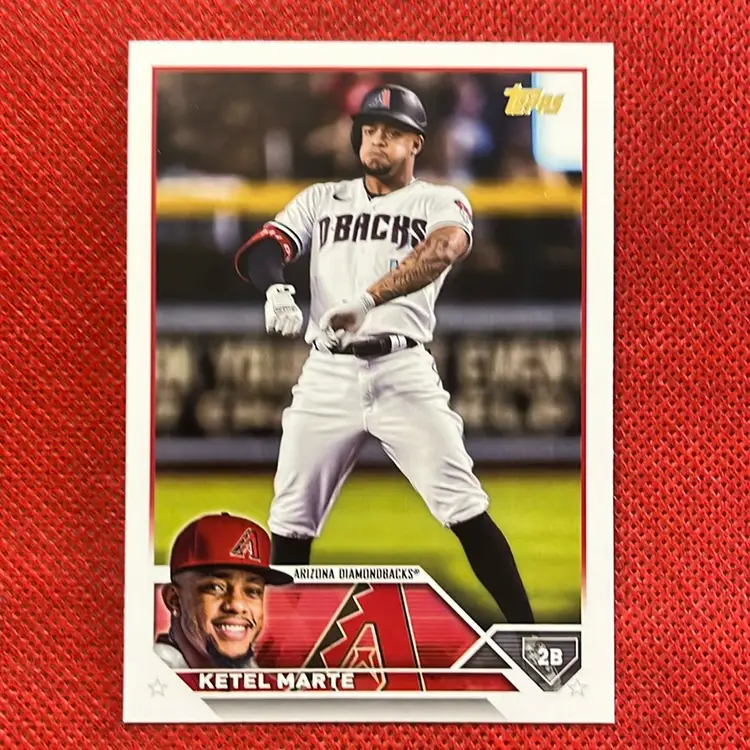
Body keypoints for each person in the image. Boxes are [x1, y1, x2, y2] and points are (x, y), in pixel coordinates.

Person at [233, 84, 534, 624]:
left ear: (416, 143)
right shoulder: (323, 198)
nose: (376, 140)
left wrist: (368, 299)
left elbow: (444, 249)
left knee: (464, 507)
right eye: (368, 129)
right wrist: (276, 287)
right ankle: (280, 644)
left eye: (391, 132)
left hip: (402, 369)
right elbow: (265, 249)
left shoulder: (438, 200)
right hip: (327, 372)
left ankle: (530, 636)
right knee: (290, 520)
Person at [155, 512, 293, 669]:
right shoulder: (146, 675)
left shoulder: (257, 679)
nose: (237, 605)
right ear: (174, 600)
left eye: (252, 591)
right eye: (216, 587)